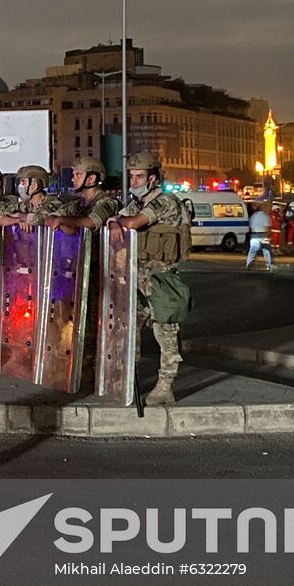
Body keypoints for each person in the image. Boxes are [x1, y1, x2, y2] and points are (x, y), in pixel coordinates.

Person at [107, 152, 192, 405]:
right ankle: (128, 381)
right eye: (131, 176)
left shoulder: (164, 202)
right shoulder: (137, 202)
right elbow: (116, 219)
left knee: (165, 333)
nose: (133, 181)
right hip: (138, 279)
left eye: (139, 176)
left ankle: (165, 386)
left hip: (161, 279)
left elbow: (131, 223)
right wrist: (114, 223)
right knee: (127, 330)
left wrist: (118, 222)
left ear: (153, 178)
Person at [44, 157, 119, 234]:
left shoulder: (108, 202)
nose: (73, 179)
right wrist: (61, 226)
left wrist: (61, 220)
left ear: (92, 178)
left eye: (78, 175)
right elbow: (49, 219)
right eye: (74, 175)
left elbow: (90, 223)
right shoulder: (77, 204)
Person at [0, 165, 67, 229]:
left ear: (35, 185)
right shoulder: (22, 205)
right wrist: (16, 221)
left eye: (24, 182)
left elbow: (43, 218)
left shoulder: (55, 203)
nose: (20, 186)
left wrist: (21, 216)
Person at [245, 201, 274, 271]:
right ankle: (269, 265)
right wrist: (269, 236)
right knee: (266, 250)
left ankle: (249, 263)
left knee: (252, 250)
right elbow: (268, 227)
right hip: (263, 235)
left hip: (254, 235)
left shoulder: (252, 216)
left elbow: (250, 227)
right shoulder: (265, 216)